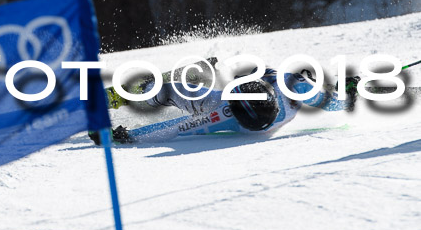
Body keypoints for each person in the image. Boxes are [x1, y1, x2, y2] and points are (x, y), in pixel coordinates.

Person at [90, 67, 359, 145]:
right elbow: (333, 103)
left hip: (230, 98)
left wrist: (125, 137)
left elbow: (177, 128)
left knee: (171, 90)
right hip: (263, 79)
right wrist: (349, 92)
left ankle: (154, 91)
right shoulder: (296, 89)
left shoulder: (225, 115)